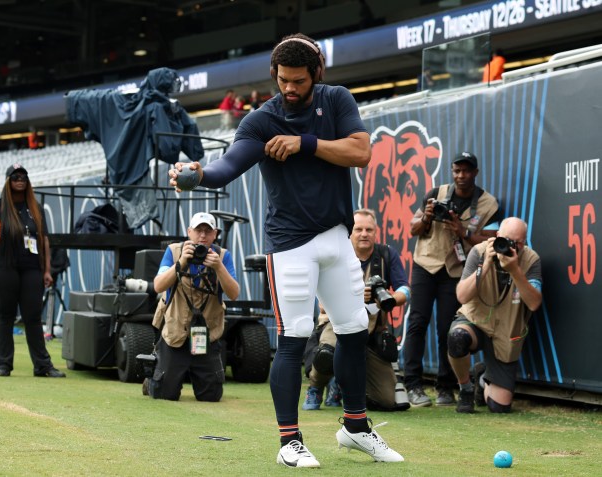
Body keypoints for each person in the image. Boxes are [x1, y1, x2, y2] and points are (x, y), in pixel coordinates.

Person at [170, 33, 404, 467]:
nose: (290, 89)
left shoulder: (335, 100)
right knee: (294, 336)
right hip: (291, 244)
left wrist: (305, 144)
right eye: (283, 80)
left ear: (316, 73)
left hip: (337, 236)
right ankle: (289, 441)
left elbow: (362, 151)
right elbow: (227, 168)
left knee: (354, 327)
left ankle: (355, 427)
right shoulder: (262, 120)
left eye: (298, 80)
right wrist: (196, 173)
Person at [403, 151, 501, 407]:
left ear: (475, 173)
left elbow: (493, 238)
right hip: (426, 263)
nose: (461, 176)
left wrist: (462, 230)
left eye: (466, 171)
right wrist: (426, 215)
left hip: (456, 269)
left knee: (447, 328)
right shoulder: (436, 193)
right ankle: (412, 384)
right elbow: (412, 228)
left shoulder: (487, 203)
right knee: (417, 322)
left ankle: (445, 387)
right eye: (457, 170)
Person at [302, 208, 411, 412]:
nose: (364, 234)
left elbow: (405, 289)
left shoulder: (387, 254)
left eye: (369, 229)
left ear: (376, 231)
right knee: (327, 354)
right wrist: (356, 297)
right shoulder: (335, 255)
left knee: (387, 400)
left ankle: (342, 384)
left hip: (372, 331)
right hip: (336, 324)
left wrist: (387, 300)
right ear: (350, 232)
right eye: (358, 229)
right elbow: (322, 303)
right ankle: (316, 386)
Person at [447, 217, 542, 413]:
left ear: (524, 242)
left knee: (499, 406)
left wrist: (515, 270)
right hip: (476, 321)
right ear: (497, 236)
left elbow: (534, 303)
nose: (510, 246)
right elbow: (462, 296)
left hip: (506, 333)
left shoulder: (531, 260)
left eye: (518, 242)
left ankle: (481, 378)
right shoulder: (480, 252)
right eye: (506, 240)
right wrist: (485, 266)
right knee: (457, 338)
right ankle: (465, 388)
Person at [144, 212, 239, 402]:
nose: (202, 236)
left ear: (215, 235)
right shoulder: (174, 251)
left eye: (207, 231)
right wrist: (181, 263)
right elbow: (158, 286)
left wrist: (219, 267)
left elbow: (234, 294)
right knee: (165, 394)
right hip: (176, 330)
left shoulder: (222, 256)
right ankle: (151, 381)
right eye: (198, 230)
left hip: (206, 333)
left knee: (211, 396)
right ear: (189, 232)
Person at [0, 163, 65, 378]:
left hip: (32, 268)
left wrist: (47, 270)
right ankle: (3, 364)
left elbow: (44, 240)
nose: (20, 180)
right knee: (5, 315)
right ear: (8, 180)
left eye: (23, 177)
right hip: (5, 268)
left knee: (33, 317)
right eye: (15, 177)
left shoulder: (35, 208)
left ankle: (42, 366)